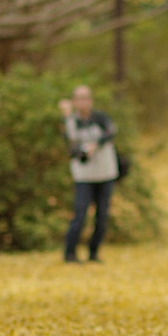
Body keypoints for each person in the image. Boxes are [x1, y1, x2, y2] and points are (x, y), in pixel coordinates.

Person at [58, 85, 118, 264]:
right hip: (83, 176)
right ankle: (70, 254)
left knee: (102, 216)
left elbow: (111, 132)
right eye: (79, 98)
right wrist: (67, 115)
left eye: (86, 97)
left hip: (105, 173)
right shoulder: (72, 121)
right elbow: (70, 138)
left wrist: (95, 145)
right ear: (74, 101)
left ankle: (94, 253)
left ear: (91, 100)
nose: (83, 102)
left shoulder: (100, 118)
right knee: (80, 215)